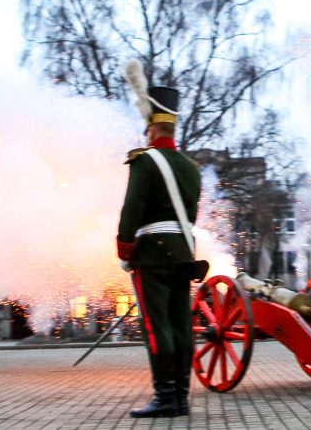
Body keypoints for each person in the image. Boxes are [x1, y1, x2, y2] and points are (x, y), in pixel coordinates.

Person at [116, 62, 202, 418]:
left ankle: (166, 397)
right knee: (182, 323)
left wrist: (125, 251)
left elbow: (130, 212)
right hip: (184, 252)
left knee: (157, 326)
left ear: (151, 129)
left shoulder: (144, 162)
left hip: (152, 255)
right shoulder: (191, 167)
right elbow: (191, 216)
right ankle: (181, 395)